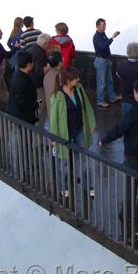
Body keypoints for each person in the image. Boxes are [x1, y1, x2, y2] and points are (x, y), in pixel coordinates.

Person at [100, 79, 138, 237]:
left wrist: (105, 139)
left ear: (137, 94)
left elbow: (120, 128)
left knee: (131, 187)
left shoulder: (134, 112)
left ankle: (127, 215)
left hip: (134, 155)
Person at [49, 66, 97, 198]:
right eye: (76, 78)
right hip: (64, 134)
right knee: (64, 162)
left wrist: (91, 123)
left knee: (84, 160)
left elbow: (87, 105)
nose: (78, 79)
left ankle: (88, 186)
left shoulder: (79, 89)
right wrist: (53, 138)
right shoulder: (57, 96)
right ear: (69, 80)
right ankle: (63, 187)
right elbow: (54, 120)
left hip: (79, 130)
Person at [93, 18, 121, 108]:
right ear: (97, 26)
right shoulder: (96, 37)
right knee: (101, 82)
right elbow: (103, 46)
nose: (105, 27)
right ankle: (100, 101)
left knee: (109, 81)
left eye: (105, 25)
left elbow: (105, 44)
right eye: (103, 25)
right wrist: (112, 37)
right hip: (101, 61)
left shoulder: (102, 34)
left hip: (106, 60)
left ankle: (112, 97)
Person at [6, 51, 40, 124]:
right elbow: (22, 102)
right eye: (32, 62)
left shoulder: (18, 74)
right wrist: (36, 104)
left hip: (20, 116)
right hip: (23, 119)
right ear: (28, 64)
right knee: (27, 135)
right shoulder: (21, 80)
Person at [28, 33, 51, 127]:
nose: (49, 46)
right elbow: (38, 72)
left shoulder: (34, 49)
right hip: (37, 86)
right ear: (45, 43)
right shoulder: (39, 53)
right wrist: (48, 68)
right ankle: (38, 129)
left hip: (33, 84)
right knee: (41, 106)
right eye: (48, 43)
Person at [43, 51, 64, 127]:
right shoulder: (60, 76)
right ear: (60, 63)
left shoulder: (46, 76)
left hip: (51, 112)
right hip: (60, 113)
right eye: (62, 58)